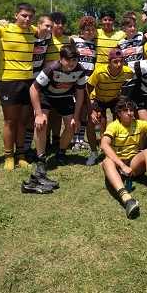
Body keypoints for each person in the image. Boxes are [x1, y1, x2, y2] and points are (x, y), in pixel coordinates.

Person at [27, 44, 87, 193]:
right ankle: (40, 159)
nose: (72, 64)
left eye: (74, 60)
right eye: (68, 60)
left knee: (72, 125)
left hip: (65, 97)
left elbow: (80, 94)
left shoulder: (79, 70)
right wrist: (39, 114)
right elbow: (33, 89)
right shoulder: (51, 68)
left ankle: (61, 153)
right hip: (46, 97)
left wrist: (77, 117)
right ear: (61, 59)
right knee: (41, 124)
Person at [100, 98, 147, 219]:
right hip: (118, 166)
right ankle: (127, 199)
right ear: (119, 113)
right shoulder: (113, 126)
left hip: (133, 164)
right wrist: (122, 165)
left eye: (131, 110)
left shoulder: (138, 123)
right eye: (125, 110)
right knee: (106, 161)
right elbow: (104, 144)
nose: (130, 113)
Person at [0, 3, 38, 170]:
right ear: (15, 15)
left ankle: (20, 155)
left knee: (23, 121)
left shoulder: (33, 31)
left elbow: (47, 30)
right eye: (24, 15)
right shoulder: (3, 28)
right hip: (9, 81)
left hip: (28, 81)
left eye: (30, 16)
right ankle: (8, 156)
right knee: (10, 121)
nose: (27, 19)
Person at [86, 49, 136, 165]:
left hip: (115, 99)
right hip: (99, 99)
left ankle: (118, 150)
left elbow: (133, 84)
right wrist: (91, 109)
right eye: (115, 62)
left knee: (121, 122)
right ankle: (94, 152)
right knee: (92, 123)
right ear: (109, 62)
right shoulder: (99, 72)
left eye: (121, 61)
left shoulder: (128, 72)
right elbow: (87, 90)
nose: (119, 65)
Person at [22, 14, 54, 161]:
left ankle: (30, 147)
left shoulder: (48, 38)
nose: (49, 29)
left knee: (35, 114)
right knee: (25, 115)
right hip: (23, 77)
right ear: (38, 25)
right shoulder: (30, 33)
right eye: (46, 26)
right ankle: (23, 148)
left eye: (50, 27)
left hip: (38, 80)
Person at [70, 16, 98, 155]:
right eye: (87, 30)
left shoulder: (95, 43)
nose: (90, 32)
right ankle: (76, 140)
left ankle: (81, 139)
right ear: (81, 30)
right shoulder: (74, 41)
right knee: (78, 111)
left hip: (90, 83)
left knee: (86, 112)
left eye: (92, 30)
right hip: (77, 82)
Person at [45, 11, 71, 158]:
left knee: (57, 114)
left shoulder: (68, 39)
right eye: (57, 22)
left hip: (63, 81)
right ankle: (46, 140)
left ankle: (56, 138)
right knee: (46, 113)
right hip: (47, 81)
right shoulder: (46, 38)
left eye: (62, 22)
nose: (60, 25)